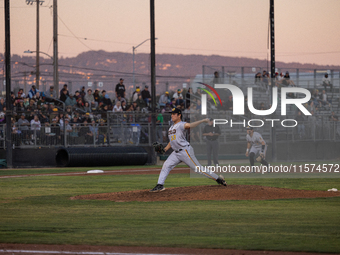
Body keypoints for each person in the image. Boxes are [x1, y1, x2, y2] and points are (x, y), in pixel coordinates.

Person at [150, 108, 227, 192]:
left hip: (185, 151)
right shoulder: (171, 128)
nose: (172, 115)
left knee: (198, 169)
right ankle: (160, 185)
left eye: (174, 114)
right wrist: (164, 149)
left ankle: (218, 179)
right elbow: (171, 142)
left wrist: (202, 120)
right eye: (171, 114)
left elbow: (190, 125)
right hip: (175, 153)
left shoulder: (181, 124)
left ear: (179, 115)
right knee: (166, 165)